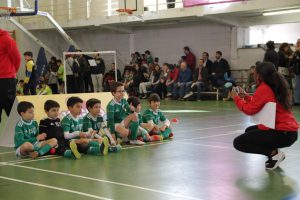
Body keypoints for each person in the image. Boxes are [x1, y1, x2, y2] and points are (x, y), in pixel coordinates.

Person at [232, 62, 298, 170]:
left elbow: (249, 110)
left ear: (259, 75)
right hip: (289, 133)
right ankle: (275, 154)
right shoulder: (275, 86)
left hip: (282, 133)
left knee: (238, 142)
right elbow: (261, 102)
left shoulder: (264, 88)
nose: (253, 75)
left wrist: (236, 98)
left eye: (254, 73)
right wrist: (247, 97)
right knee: (249, 130)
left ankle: (273, 154)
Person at [0, 28, 21, 123]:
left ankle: (19, 131)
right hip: (6, 77)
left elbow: (17, 57)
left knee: (10, 107)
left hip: (6, 79)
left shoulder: (7, 39)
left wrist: (12, 71)